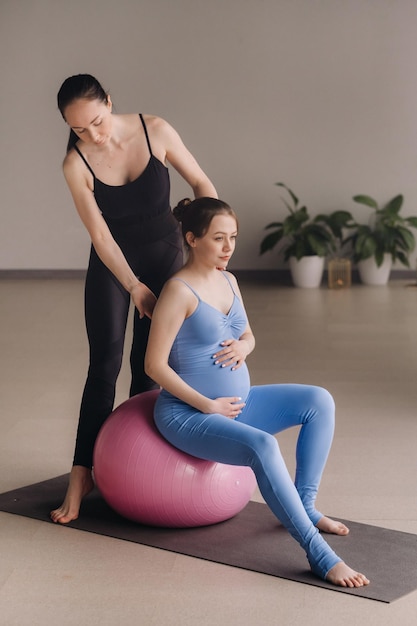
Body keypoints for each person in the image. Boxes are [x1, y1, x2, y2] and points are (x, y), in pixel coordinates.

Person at [144, 197, 370, 588]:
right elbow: (154, 366)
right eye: (219, 238)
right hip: (188, 414)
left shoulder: (228, 280)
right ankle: (319, 554)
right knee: (264, 446)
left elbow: (246, 334)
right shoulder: (178, 291)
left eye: (232, 237)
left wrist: (246, 346)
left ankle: (306, 505)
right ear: (192, 238)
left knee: (319, 400)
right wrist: (206, 405)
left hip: (234, 406)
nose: (229, 247)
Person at [50, 74, 217, 524]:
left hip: (165, 259)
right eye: (79, 129)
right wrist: (133, 286)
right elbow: (100, 235)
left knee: (149, 367)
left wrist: (205, 253)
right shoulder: (76, 164)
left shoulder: (155, 130)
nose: (93, 135)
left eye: (98, 122)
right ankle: (82, 473)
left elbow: (203, 184)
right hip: (113, 266)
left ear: (110, 101)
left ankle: (139, 467)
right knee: (102, 363)